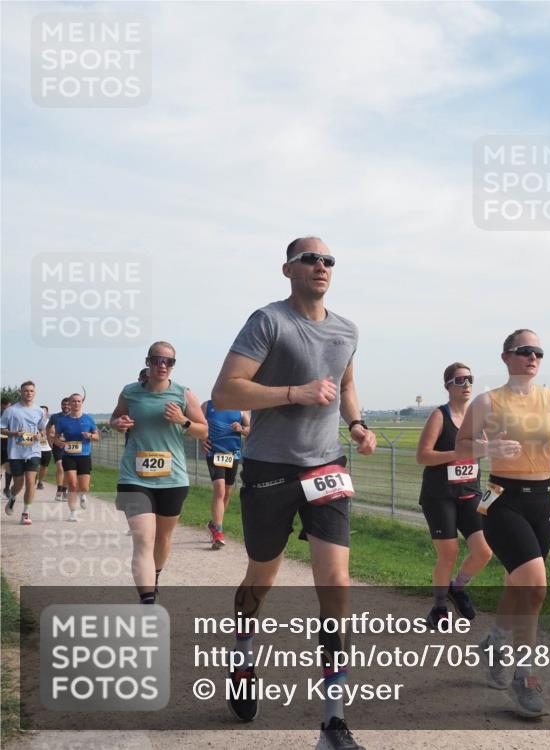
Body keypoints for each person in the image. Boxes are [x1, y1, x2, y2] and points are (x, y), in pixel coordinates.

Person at [211, 236, 375, 750]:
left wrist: (357, 424)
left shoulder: (347, 329)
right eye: (311, 258)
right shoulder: (269, 321)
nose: (321, 266)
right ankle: (242, 655)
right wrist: (293, 393)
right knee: (263, 574)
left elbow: (346, 384)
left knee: (336, 580)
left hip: (327, 467)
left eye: (328, 259)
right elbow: (226, 391)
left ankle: (333, 719)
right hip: (269, 468)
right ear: (288, 269)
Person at [456, 329, 550, 719]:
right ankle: (524, 676)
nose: (533, 358)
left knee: (518, 584)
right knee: (537, 588)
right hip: (500, 499)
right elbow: (460, 447)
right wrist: (488, 448)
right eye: (525, 351)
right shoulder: (487, 402)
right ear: (507, 357)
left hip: (541, 500)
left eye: (538, 352)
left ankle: (494, 643)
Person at [110, 342, 208, 604]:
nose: (162, 365)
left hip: (172, 478)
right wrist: (118, 423)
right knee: (144, 538)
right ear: (148, 362)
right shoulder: (130, 392)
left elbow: (203, 430)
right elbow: (115, 418)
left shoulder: (183, 394)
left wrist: (182, 421)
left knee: (163, 538)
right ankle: (148, 602)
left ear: (173, 365)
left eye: (168, 361)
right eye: (157, 360)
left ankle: (154, 575)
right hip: (134, 477)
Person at [415, 362, 491, 629]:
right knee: (449, 553)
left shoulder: (478, 418)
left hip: (471, 493)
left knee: (484, 551)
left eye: (470, 379)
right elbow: (422, 456)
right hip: (440, 496)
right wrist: (458, 454)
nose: (466, 384)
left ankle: (457, 588)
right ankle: (438, 608)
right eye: (460, 380)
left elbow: (489, 450)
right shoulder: (439, 416)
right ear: (448, 385)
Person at [200, 399, 250, 549]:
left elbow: (250, 430)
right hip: (213, 452)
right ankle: (219, 533)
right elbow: (199, 426)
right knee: (220, 489)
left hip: (232, 455)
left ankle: (214, 524)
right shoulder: (207, 406)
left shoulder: (240, 408)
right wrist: (202, 440)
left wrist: (241, 428)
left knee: (227, 492)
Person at [1, 381, 48, 525]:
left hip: (33, 450)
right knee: (19, 484)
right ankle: (13, 497)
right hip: (16, 452)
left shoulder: (39, 411)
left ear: (35, 393)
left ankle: (25, 513)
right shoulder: (11, 410)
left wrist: (40, 435)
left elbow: (42, 429)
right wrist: (14, 433)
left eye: (31, 391)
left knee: (30, 482)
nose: (29, 393)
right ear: (21, 393)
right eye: (26, 391)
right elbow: (1, 429)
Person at [52, 393, 100, 522]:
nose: (76, 403)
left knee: (84, 487)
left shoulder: (88, 419)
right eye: (73, 401)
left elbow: (97, 437)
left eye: (78, 401)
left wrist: (90, 435)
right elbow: (55, 437)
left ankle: (83, 494)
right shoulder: (62, 421)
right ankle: (73, 512)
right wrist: (59, 442)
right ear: (69, 403)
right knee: (72, 484)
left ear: (82, 403)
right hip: (68, 456)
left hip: (84, 455)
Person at [47, 398, 71, 501]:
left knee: (67, 469)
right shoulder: (55, 417)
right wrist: (50, 440)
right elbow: (48, 428)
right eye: (64, 404)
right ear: (61, 405)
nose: (66, 406)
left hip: (70, 446)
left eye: (68, 405)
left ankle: (65, 490)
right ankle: (59, 489)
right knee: (60, 467)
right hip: (58, 445)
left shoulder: (75, 417)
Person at [36, 406, 52, 490]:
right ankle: (33, 479)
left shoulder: (50, 422)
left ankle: (40, 482)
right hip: (35, 448)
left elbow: (53, 433)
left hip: (46, 448)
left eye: (44, 411)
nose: (42, 413)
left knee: (44, 466)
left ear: (47, 413)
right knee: (35, 466)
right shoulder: (34, 421)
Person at [1, 398, 11, 502]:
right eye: (6, 407)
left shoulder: (12, 416)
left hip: (9, 444)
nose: (8, 409)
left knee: (9, 467)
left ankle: (7, 488)